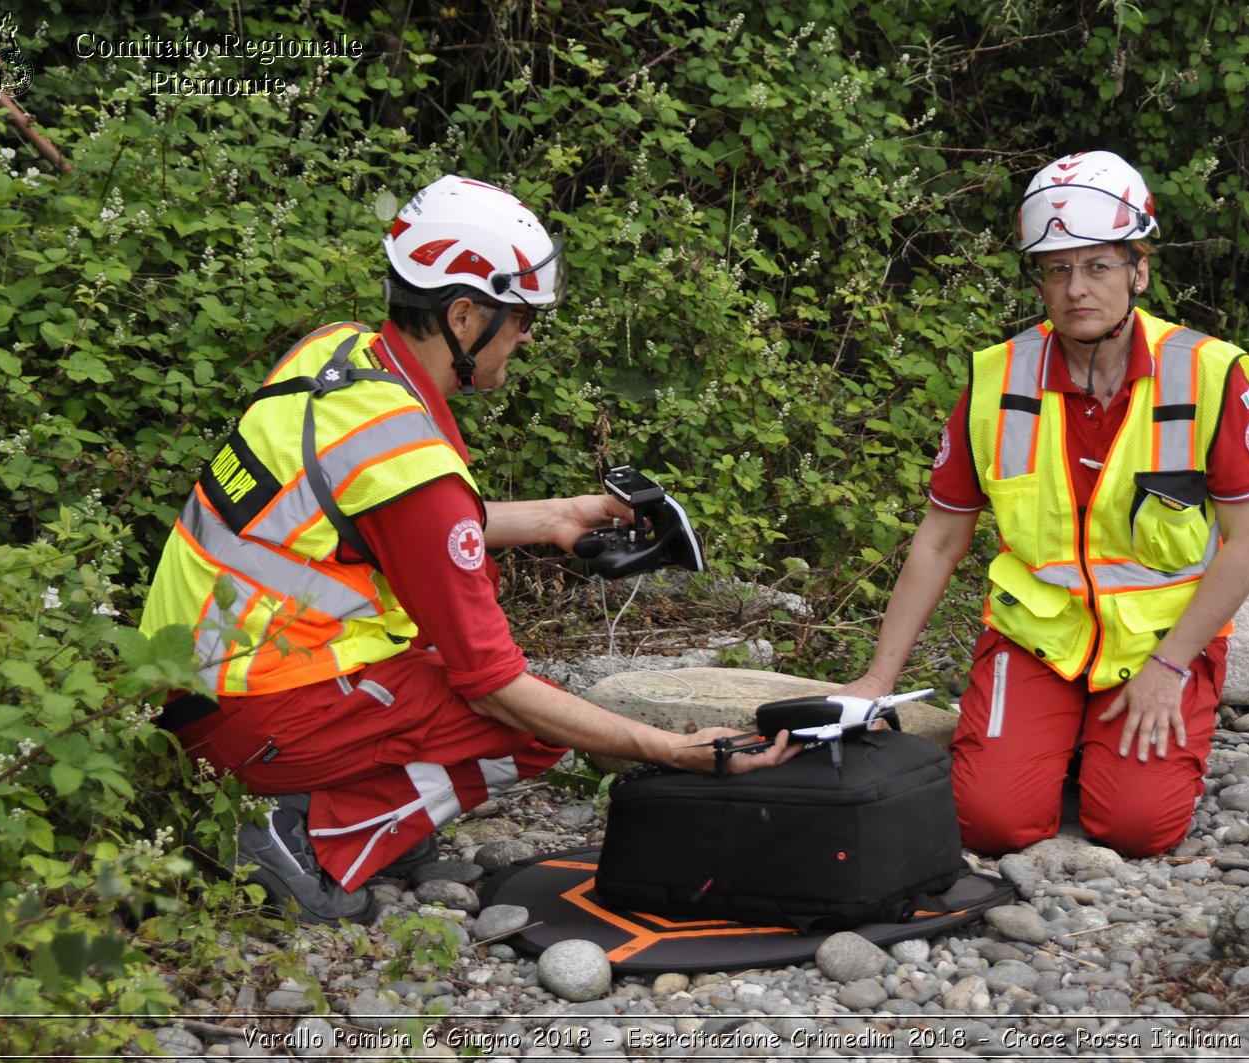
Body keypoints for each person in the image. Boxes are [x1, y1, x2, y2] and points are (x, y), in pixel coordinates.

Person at [140, 176, 793, 925]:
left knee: (457, 672)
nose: (526, 339)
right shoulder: (412, 468)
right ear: (461, 315)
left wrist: (557, 518)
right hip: (258, 712)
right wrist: (671, 749)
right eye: (519, 321)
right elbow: (493, 682)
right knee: (532, 728)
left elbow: (376, 522)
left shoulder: (339, 358)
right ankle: (298, 835)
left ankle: (345, 814)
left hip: (197, 680)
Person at [838, 150, 1249, 858]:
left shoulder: (1208, 373)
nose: (1076, 288)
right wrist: (877, 679)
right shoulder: (994, 377)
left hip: (1156, 648)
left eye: (1097, 265)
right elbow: (939, 540)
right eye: (1056, 268)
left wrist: (1171, 667)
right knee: (991, 825)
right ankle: (1056, 746)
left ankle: (1097, 748)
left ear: (1139, 269)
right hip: (1035, 638)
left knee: (1137, 829)